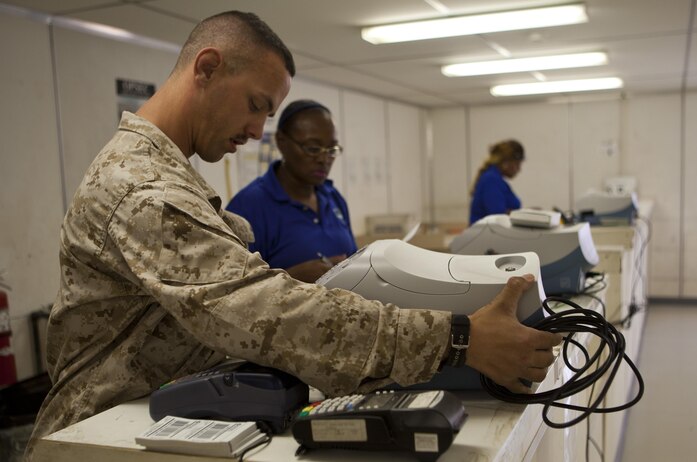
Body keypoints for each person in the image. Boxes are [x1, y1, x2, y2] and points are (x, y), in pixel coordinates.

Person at [25, 11, 560, 460]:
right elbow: (262, 312)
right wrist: (458, 339)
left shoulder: (167, 176)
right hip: (98, 437)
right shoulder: (142, 189)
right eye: (256, 104)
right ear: (207, 68)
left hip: (158, 423)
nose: (259, 130)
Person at [226, 99, 356, 283]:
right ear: (282, 142)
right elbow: (230, 292)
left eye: (331, 149)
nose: (324, 158)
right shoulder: (248, 207)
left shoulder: (333, 197)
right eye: (313, 148)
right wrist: (289, 279)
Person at [469, 139, 525, 224]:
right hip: (487, 235)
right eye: (517, 164)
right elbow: (498, 216)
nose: (519, 169)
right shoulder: (491, 180)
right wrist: (526, 215)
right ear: (506, 162)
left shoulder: (495, 179)